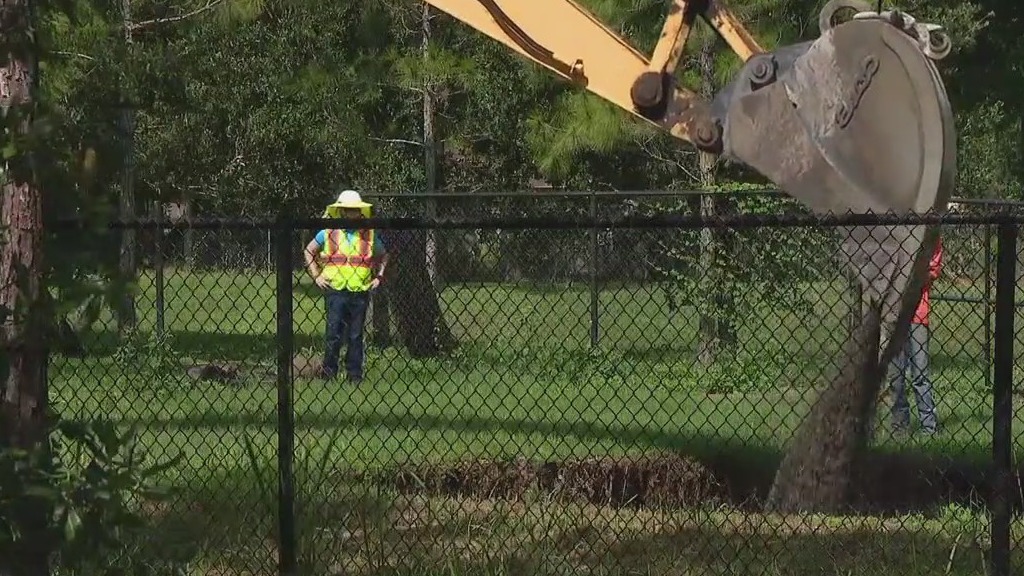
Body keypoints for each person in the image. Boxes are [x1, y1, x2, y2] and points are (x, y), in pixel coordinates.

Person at [303, 189, 388, 383]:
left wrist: (379, 277)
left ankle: (355, 376)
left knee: (356, 336)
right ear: (341, 211)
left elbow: (384, 254)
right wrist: (316, 275)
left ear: (360, 212)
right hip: (336, 290)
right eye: (348, 210)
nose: (352, 214)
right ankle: (329, 373)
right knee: (334, 334)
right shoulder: (328, 232)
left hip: (360, 290)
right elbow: (309, 251)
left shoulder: (369, 235)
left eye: (354, 210)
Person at [889, 237, 942, 435]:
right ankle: (899, 426)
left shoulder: (931, 235)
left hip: (918, 312)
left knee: (920, 373)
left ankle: (929, 426)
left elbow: (933, 270)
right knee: (896, 375)